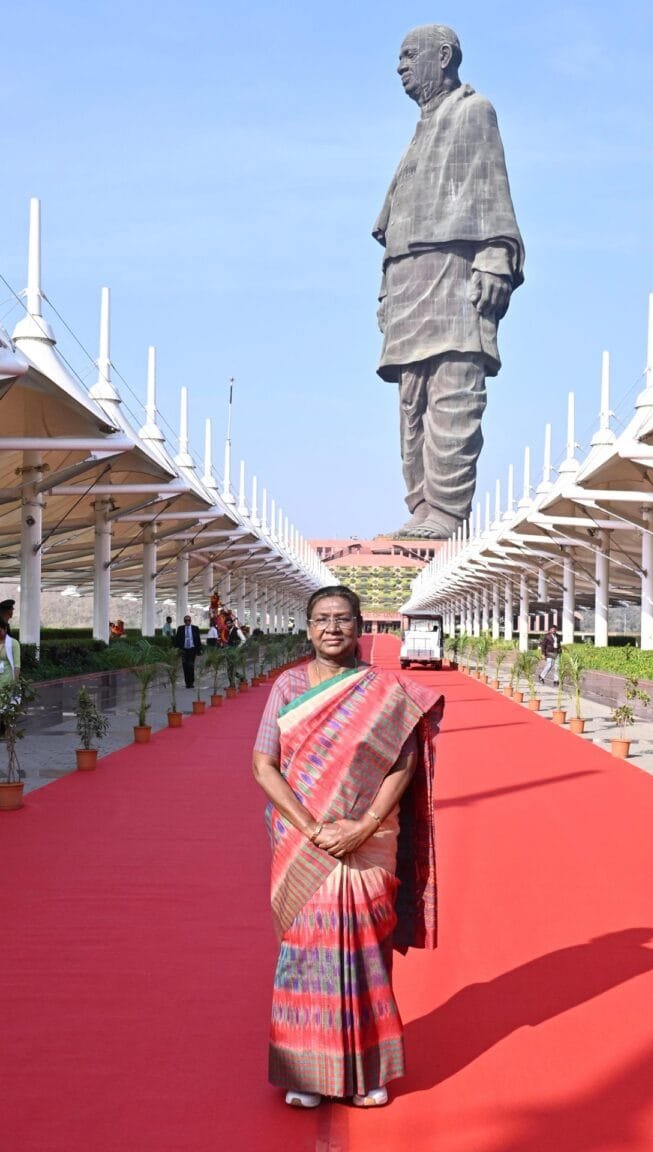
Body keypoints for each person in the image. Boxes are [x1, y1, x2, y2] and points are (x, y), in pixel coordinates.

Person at [252, 585, 443, 1109]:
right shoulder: (288, 686)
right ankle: (306, 1072)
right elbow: (263, 765)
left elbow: (403, 763)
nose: (332, 627)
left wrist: (365, 824)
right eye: (321, 618)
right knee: (306, 949)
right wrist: (311, 827)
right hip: (303, 839)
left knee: (366, 949)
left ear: (359, 625)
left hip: (368, 840)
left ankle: (368, 1072)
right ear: (308, 627)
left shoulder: (383, 690)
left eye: (342, 618)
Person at [374, 24, 524, 539]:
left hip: (454, 271)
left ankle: (446, 510)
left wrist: (494, 256)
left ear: (444, 56)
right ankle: (421, 504)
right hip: (409, 280)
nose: (401, 67)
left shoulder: (472, 110)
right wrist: (386, 292)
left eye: (409, 55)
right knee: (412, 399)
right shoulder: (420, 129)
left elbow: (491, 190)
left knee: (455, 391)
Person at [173, 614, 202, 688]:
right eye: (186, 620)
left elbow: (198, 640)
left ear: (190, 621)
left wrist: (199, 650)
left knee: (191, 666)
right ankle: (187, 683)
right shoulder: (180, 628)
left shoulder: (195, 628)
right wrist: (177, 649)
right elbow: (177, 639)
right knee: (185, 666)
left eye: (188, 620)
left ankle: (191, 682)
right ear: (184, 621)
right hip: (184, 650)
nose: (187, 622)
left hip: (192, 649)